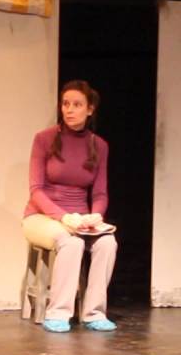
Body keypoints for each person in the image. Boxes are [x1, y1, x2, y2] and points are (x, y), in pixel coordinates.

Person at [23, 80, 118, 332]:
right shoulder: (44, 139)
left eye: (77, 105)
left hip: (79, 219)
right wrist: (63, 217)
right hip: (41, 217)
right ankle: (58, 313)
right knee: (71, 242)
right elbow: (36, 190)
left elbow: (100, 192)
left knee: (108, 243)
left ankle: (94, 313)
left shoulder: (99, 146)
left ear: (90, 109)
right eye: (66, 104)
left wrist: (96, 215)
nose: (69, 109)